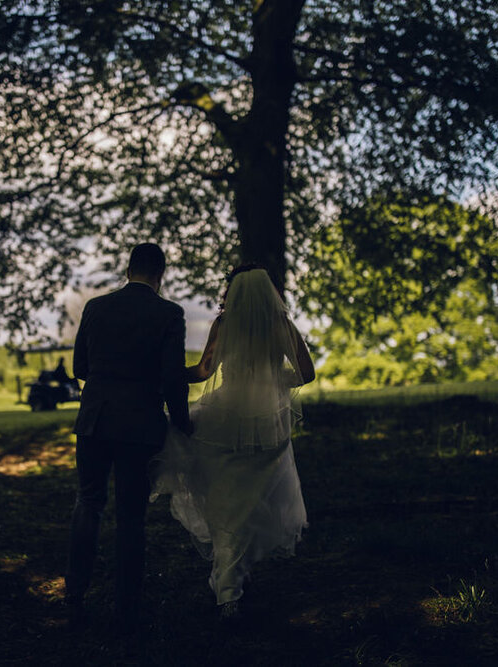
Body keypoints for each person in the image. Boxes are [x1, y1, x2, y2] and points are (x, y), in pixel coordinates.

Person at [151, 265, 315, 620]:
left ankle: (229, 590)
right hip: (267, 424)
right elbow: (306, 372)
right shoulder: (282, 325)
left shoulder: (224, 325)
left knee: (226, 502)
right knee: (252, 501)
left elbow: (204, 372)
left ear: (234, 293)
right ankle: (232, 580)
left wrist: (167, 373)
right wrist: (269, 383)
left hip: (225, 419)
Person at [65, 242, 193, 635]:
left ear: (129, 269)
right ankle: (126, 610)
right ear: (161, 274)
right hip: (140, 426)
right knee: (131, 518)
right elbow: (172, 377)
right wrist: (183, 421)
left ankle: (74, 597)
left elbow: (79, 366)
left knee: (88, 503)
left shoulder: (96, 307)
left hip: (95, 420)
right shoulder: (169, 314)